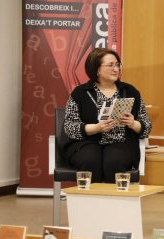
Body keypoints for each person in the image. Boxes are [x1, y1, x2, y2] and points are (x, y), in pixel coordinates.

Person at [63, 48, 152, 183]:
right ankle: (90, 202)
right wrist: (96, 128)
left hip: (121, 142)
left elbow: (147, 126)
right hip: (87, 142)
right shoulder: (80, 93)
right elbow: (70, 127)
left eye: (117, 65)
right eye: (111, 65)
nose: (116, 69)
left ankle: (114, 203)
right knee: (89, 161)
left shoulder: (130, 91)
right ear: (97, 69)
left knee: (114, 162)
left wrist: (133, 123)